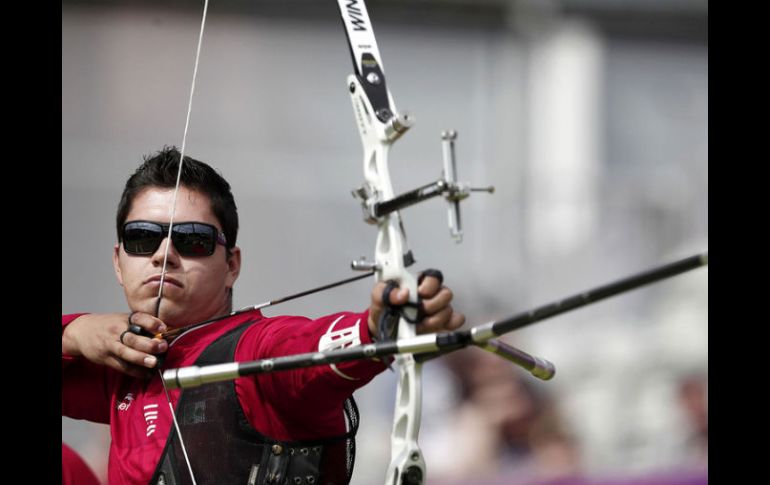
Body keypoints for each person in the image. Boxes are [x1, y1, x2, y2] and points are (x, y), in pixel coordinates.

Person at [61, 147, 465, 485]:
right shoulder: (121, 365)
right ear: (118, 261)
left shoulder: (255, 352)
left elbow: (309, 347)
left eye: (193, 241)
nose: (163, 255)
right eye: (142, 238)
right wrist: (74, 332)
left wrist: (378, 327)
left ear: (232, 265)